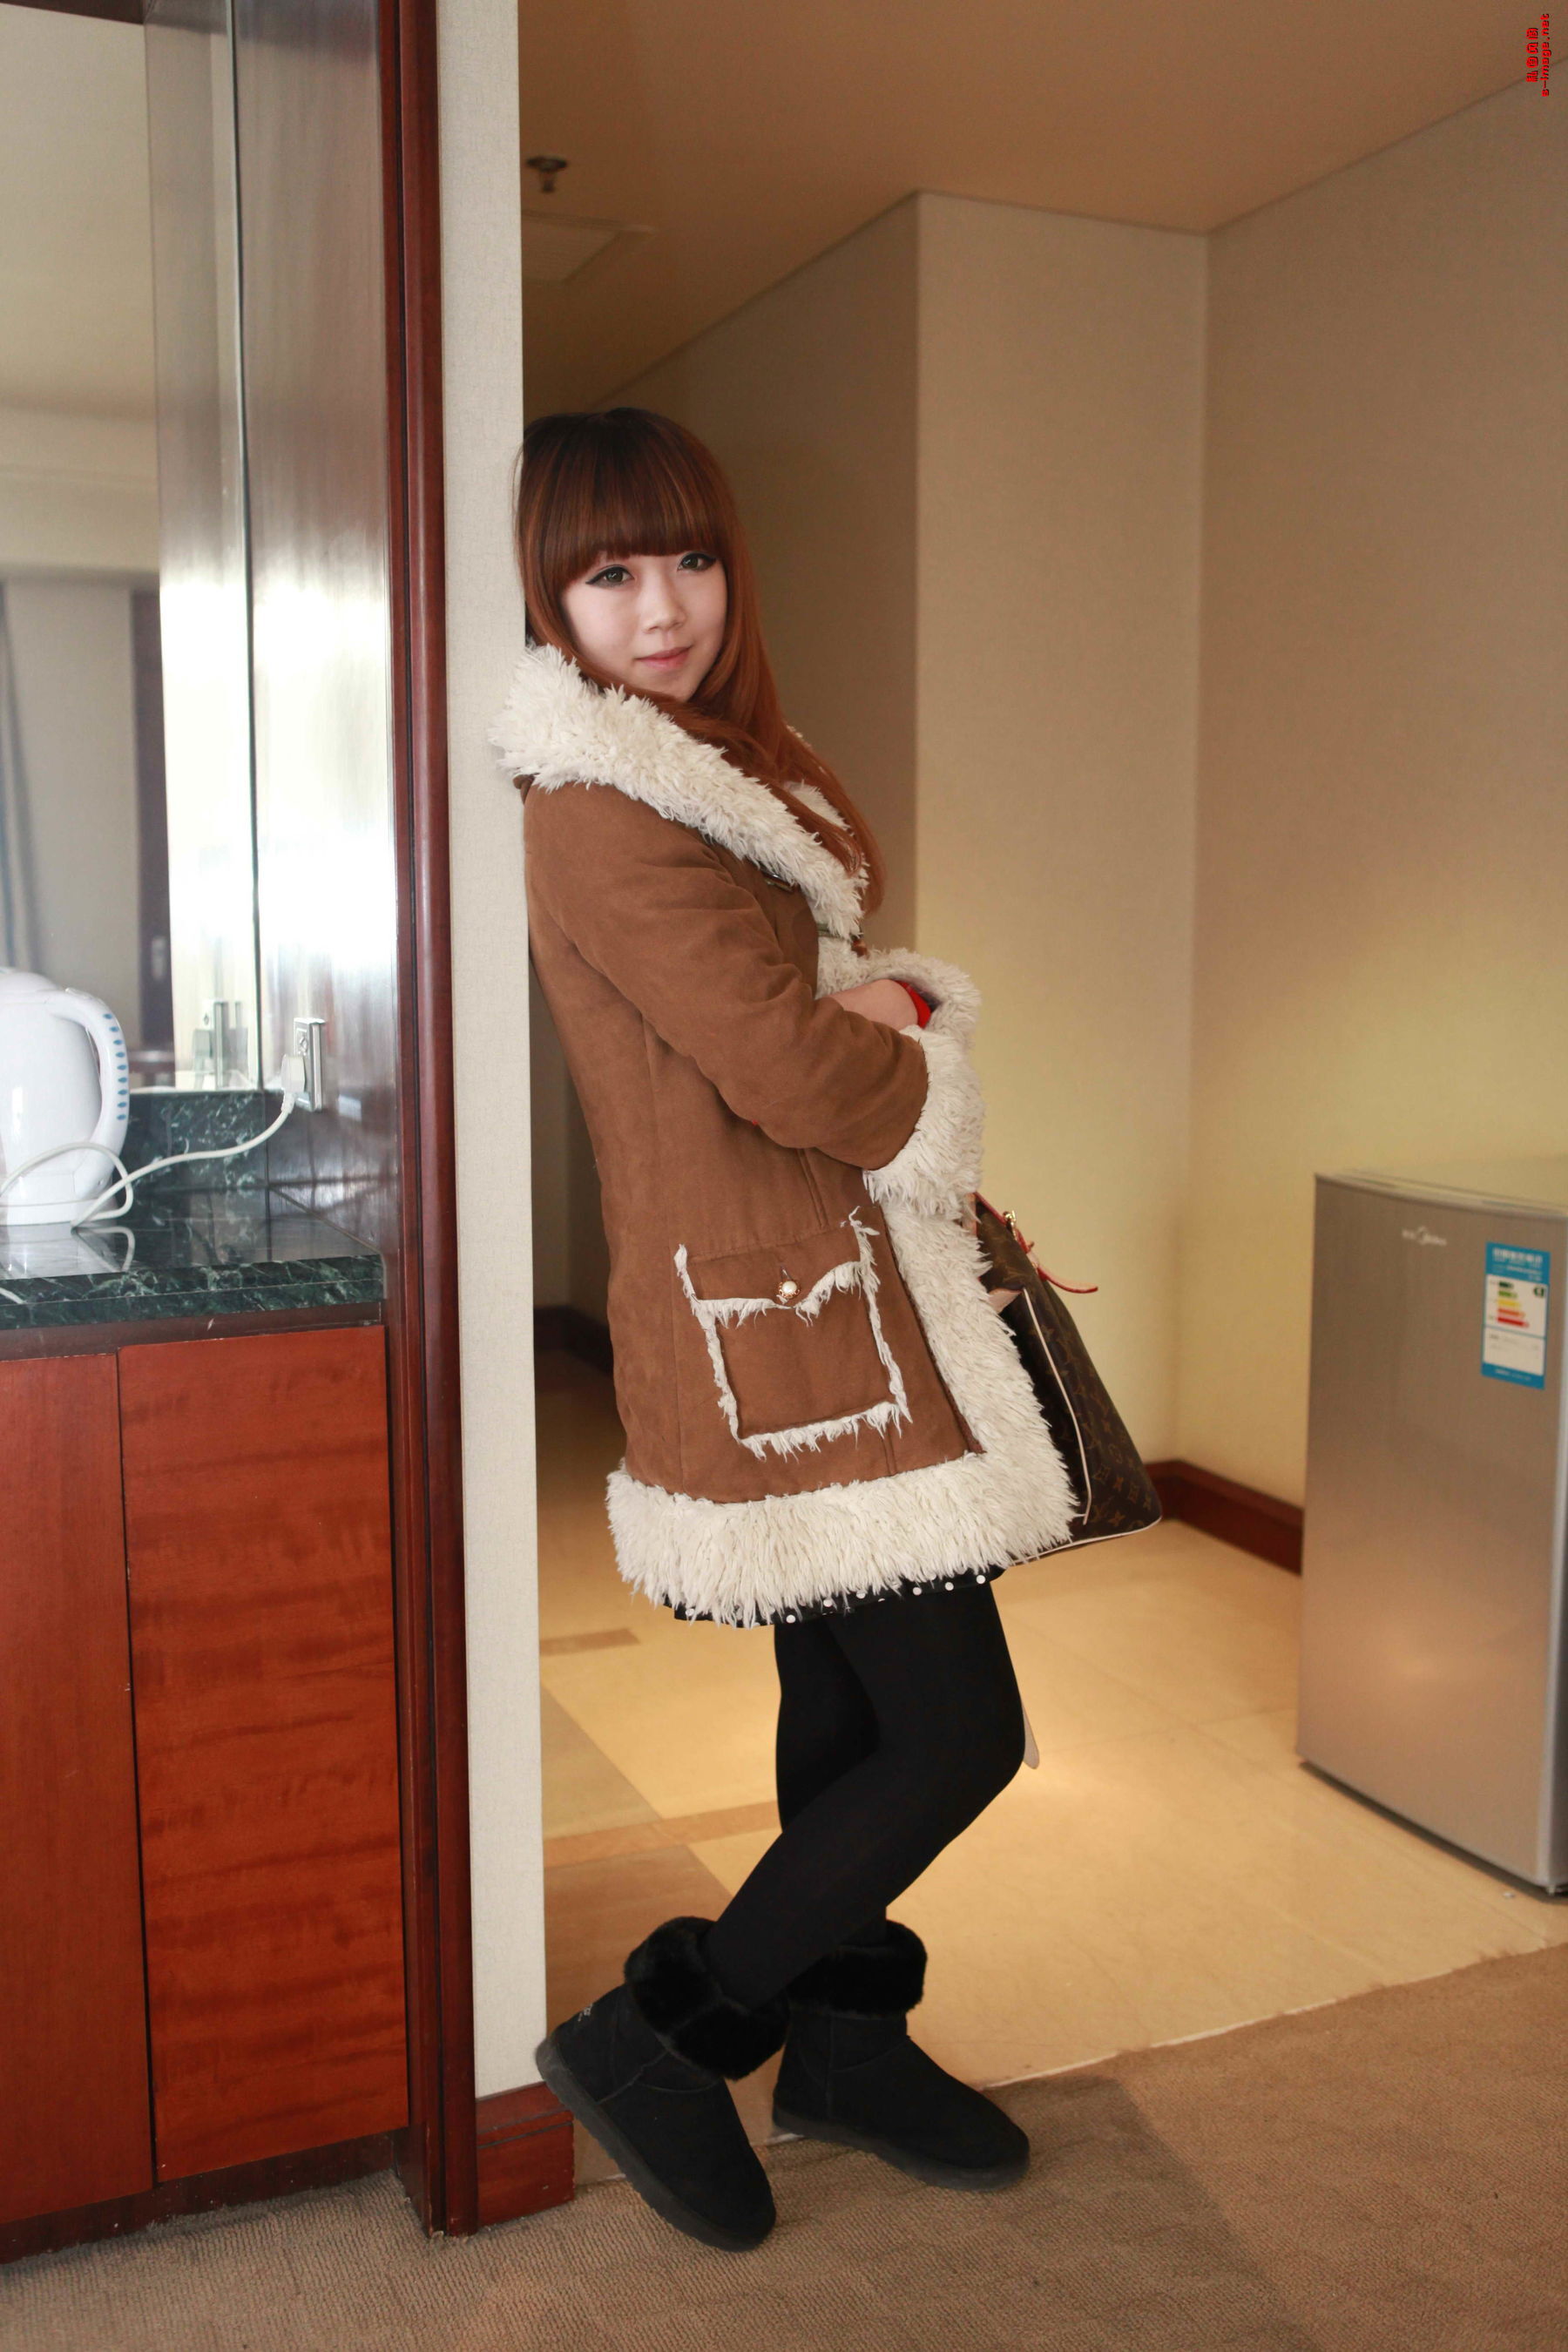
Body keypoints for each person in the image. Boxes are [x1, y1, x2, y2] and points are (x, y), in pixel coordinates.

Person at [493, 407, 1078, 2254]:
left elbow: (796, 1019)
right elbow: (788, 1061)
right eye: (608, 573)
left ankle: (843, 2047)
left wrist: (873, 1027)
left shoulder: (716, 772)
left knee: (845, 1704)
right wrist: (910, 1036)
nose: (661, 607)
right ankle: (664, 2039)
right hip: (780, 1320)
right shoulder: (601, 808)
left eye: (688, 559)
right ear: (550, 598)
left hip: (821, 1291)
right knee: (958, 1730)